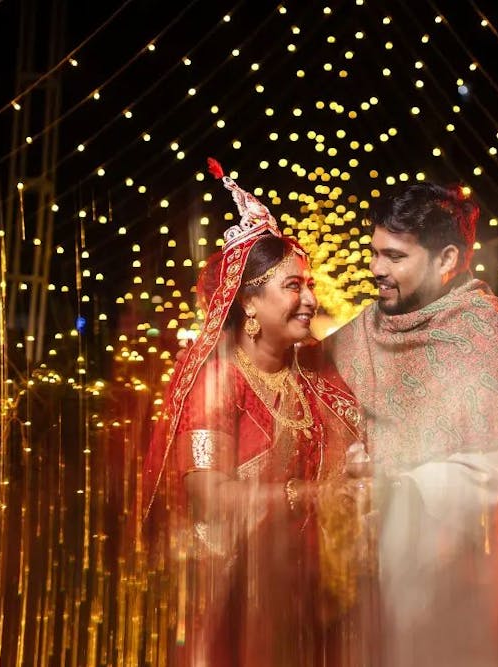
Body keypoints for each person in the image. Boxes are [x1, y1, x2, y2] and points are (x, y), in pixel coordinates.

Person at [143, 160, 371, 666]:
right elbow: (208, 496)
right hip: (236, 599)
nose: (311, 299)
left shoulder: (316, 380)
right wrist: (309, 494)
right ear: (248, 303)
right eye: (294, 286)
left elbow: (353, 460)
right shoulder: (216, 380)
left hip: (312, 598)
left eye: (309, 284)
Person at [326, 182, 498, 665]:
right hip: (365, 592)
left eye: (394, 257)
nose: (376, 269)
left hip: (461, 590)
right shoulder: (359, 336)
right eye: (374, 253)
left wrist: (403, 489)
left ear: (446, 259)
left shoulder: (487, 331)